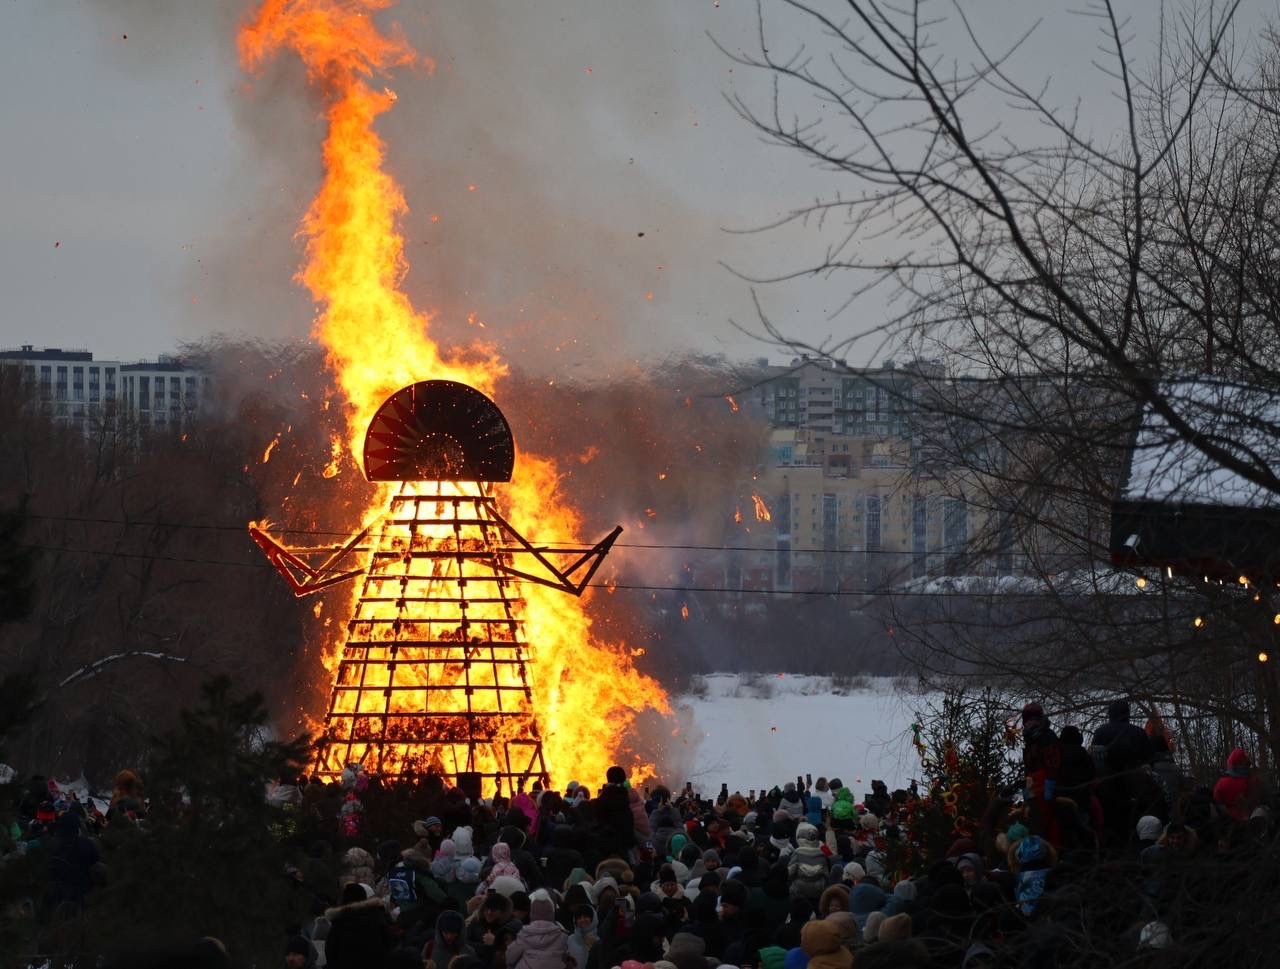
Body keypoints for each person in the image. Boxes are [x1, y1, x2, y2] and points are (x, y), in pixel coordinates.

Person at [1020, 703, 1061, 844]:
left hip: (1045, 782)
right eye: (1027, 720)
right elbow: (1028, 767)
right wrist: (1026, 789)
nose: (1028, 723)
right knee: (1034, 819)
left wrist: (1050, 782)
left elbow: (1053, 760)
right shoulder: (1030, 738)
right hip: (1033, 784)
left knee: (1048, 820)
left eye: (1032, 719)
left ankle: (1052, 848)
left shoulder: (1047, 736)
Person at [1212, 747, 1261, 821]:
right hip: (1251, 820)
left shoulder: (1221, 783)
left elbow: (1216, 801)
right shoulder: (1253, 781)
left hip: (1227, 821)